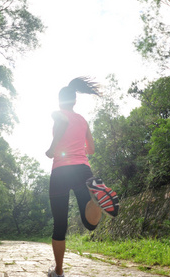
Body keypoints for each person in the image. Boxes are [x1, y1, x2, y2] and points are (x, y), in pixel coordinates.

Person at [45, 77, 119, 277]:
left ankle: (59, 271)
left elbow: (61, 122)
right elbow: (92, 149)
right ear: (75, 102)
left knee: (60, 224)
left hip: (61, 170)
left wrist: (52, 149)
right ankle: (97, 199)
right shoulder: (83, 120)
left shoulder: (58, 113)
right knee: (90, 224)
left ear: (60, 101)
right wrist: (78, 149)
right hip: (82, 169)